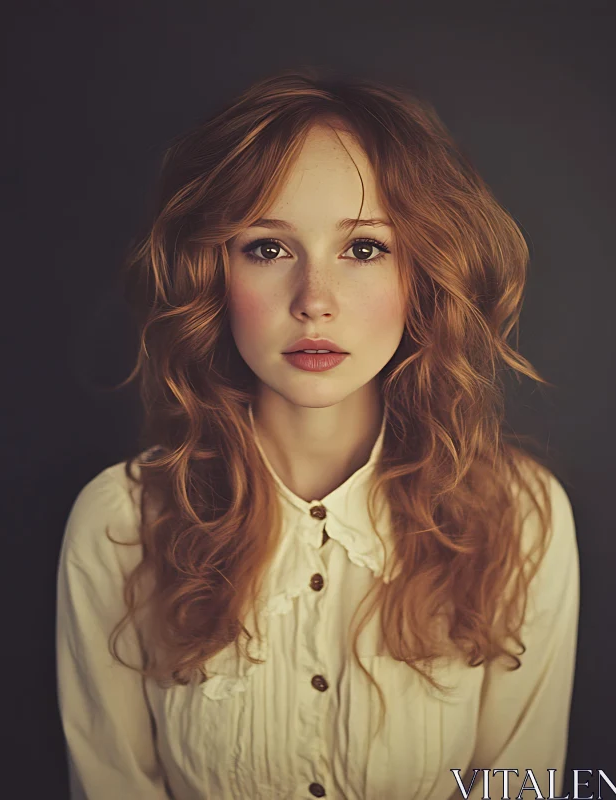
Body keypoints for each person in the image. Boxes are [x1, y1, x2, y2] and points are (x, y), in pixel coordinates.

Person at [55, 66, 579, 800]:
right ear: (214, 271)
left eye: (363, 248)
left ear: (420, 273)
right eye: (268, 247)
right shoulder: (119, 525)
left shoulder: (520, 519)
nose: (315, 301)